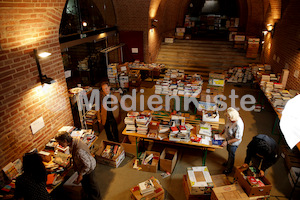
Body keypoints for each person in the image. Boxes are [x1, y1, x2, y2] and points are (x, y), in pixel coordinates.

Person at [55, 131, 101, 200]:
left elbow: (87, 165)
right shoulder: (74, 140)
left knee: (92, 187)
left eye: (59, 142)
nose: (59, 145)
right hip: (84, 166)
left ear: (65, 140)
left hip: (88, 169)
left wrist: (81, 175)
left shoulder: (79, 150)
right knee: (86, 186)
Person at [220, 107, 244, 174]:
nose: (228, 119)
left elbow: (237, 138)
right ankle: (228, 162)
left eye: (229, 118)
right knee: (228, 150)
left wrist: (227, 142)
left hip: (234, 142)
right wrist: (222, 132)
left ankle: (229, 169)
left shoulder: (239, 125)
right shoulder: (230, 118)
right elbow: (227, 126)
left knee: (231, 154)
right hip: (229, 138)